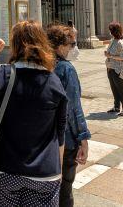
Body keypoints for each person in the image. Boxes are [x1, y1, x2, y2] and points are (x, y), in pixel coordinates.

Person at [0, 20, 68, 206]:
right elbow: (60, 132)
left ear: (15, 44)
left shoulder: (0, 76)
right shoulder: (54, 81)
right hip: (45, 172)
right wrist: (59, 170)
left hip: (4, 168)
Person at [47, 24, 90, 207]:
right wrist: (83, 138)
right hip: (64, 138)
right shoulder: (66, 69)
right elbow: (73, 108)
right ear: (60, 45)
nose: (73, 48)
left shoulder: (42, 64)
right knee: (65, 189)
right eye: (71, 44)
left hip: (42, 138)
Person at [104, 21, 123, 116]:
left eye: (110, 30)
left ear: (114, 31)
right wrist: (107, 54)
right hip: (110, 68)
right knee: (114, 89)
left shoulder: (121, 42)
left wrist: (110, 56)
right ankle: (116, 107)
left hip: (118, 69)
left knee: (121, 89)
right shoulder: (113, 40)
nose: (109, 32)